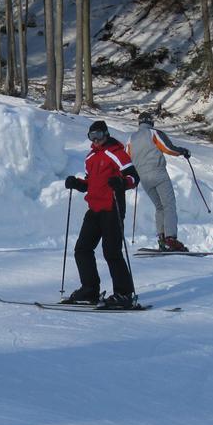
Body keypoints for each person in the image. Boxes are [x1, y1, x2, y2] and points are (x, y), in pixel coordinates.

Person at [63, 120, 140, 308]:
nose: (95, 140)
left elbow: (133, 177)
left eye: (98, 135)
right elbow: (90, 183)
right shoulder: (90, 157)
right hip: (94, 208)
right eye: (92, 136)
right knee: (82, 249)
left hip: (112, 207)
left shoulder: (117, 153)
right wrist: (77, 183)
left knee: (111, 252)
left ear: (106, 134)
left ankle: (124, 294)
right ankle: (90, 289)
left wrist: (121, 183)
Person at [126, 111, 192, 251]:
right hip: (158, 173)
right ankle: (171, 239)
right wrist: (183, 151)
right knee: (169, 205)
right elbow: (168, 148)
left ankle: (162, 239)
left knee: (159, 207)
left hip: (143, 178)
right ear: (151, 122)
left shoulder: (131, 138)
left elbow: (127, 158)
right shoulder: (153, 133)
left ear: (139, 123)